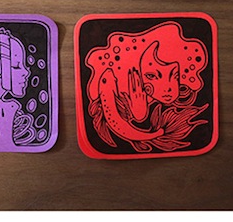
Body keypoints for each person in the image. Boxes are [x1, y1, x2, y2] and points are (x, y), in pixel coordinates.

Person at [85, 21, 209, 153]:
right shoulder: (125, 90)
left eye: (175, 75)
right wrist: (139, 113)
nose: (167, 88)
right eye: (152, 76)